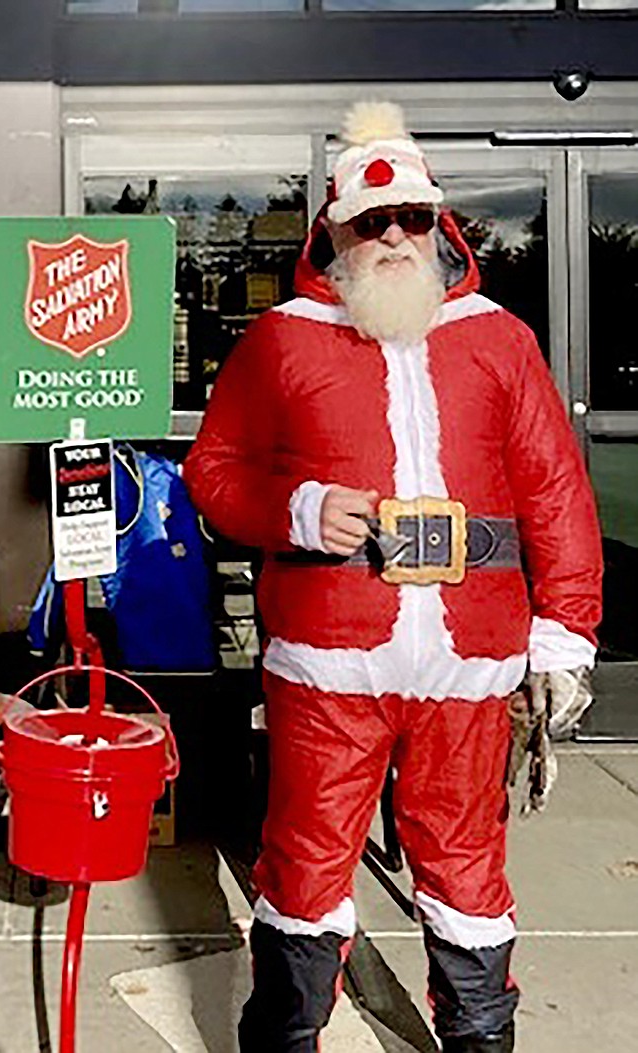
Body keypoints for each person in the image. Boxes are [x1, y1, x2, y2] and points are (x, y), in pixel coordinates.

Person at [184, 101, 602, 1053]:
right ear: (334, 231)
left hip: (472, 665)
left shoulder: (500, 339)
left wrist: (564, 631)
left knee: (465, 869)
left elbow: (556, 490)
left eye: (411, 218)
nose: (394, 237)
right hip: (329, 665)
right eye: (371, 222)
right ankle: (288, 1036)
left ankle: (480, 1040)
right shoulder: (281, 340)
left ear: (439, 223)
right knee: (304, 866)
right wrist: (295, 509)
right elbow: (214, 470)